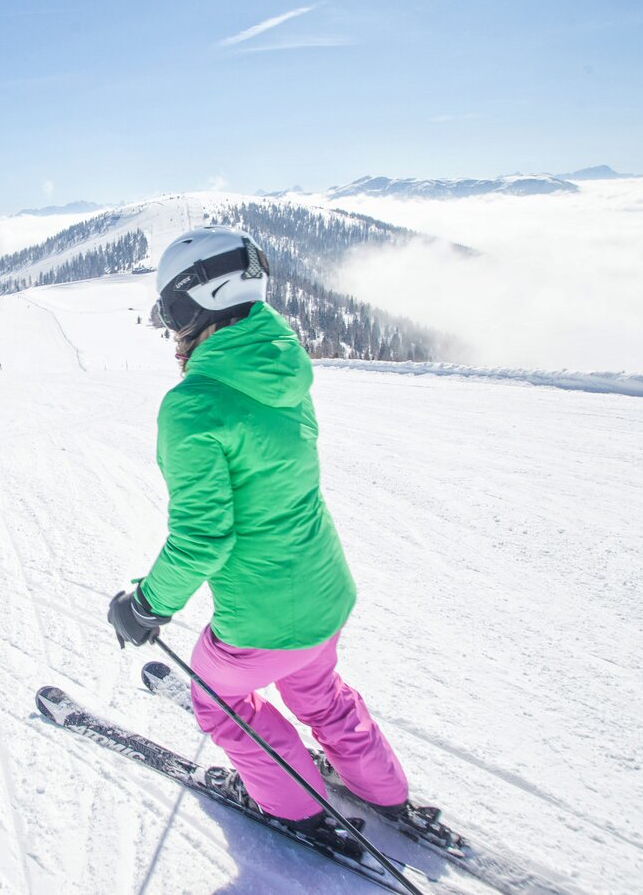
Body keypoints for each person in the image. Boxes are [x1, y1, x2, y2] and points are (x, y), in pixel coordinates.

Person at [107, 226, 410, 848]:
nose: (169, 325)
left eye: (169, 309)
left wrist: (145, 605)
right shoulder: (284, 371)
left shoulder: (195, 405)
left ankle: (293, 804)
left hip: (263, 623)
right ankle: (384, 789)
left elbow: (202, 540)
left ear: (193, 304)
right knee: (319, 691)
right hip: (325, 591)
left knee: (218, 700)